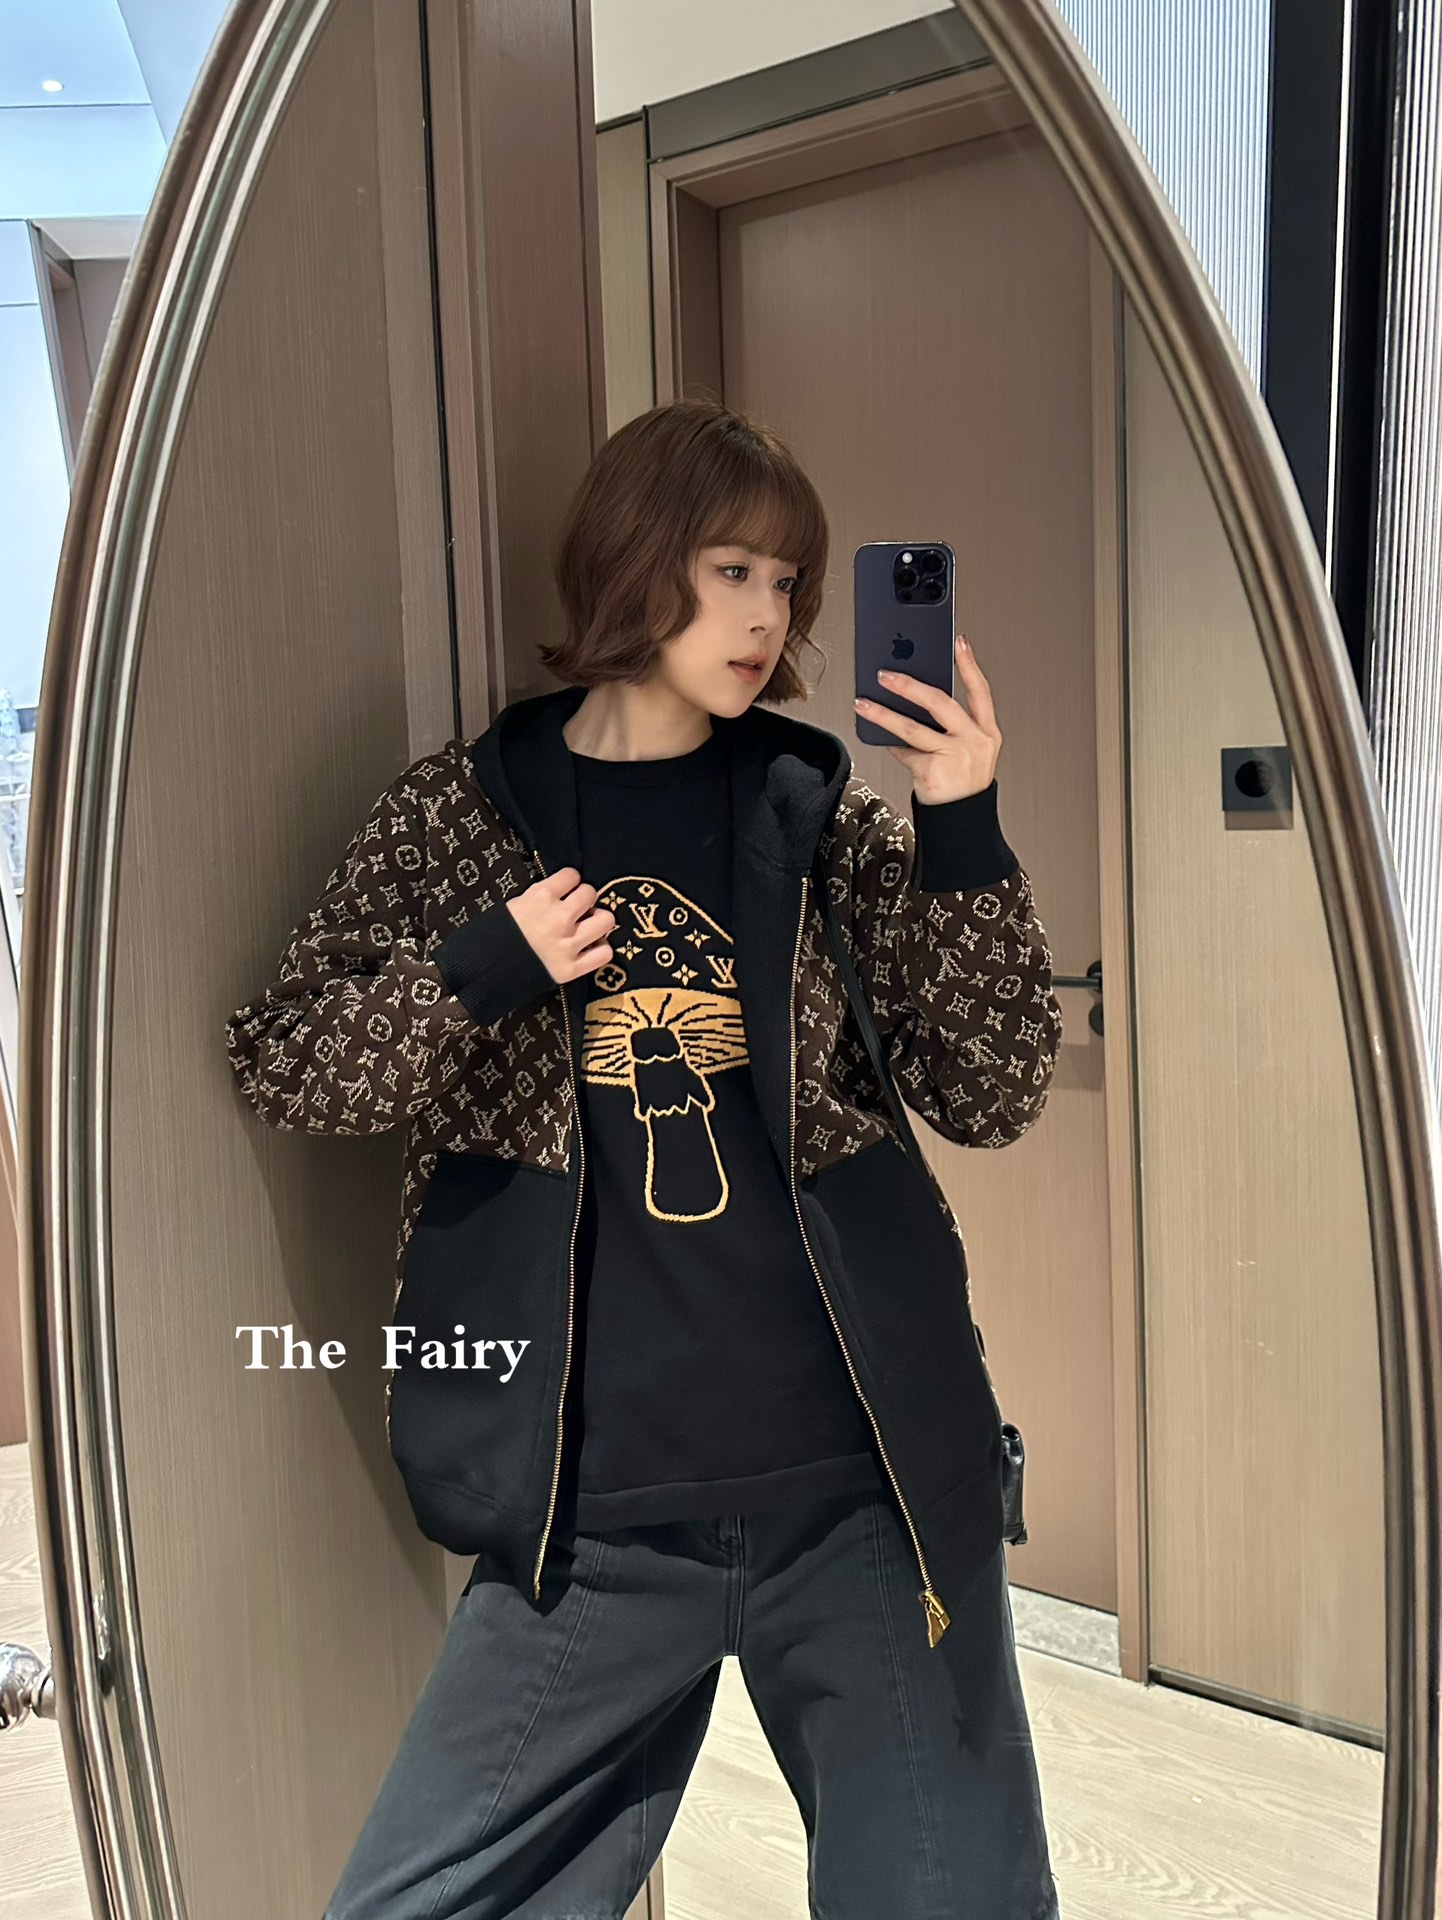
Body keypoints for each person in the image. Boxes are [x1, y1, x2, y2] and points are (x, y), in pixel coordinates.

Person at [224, 397, 1065, 1920]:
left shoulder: (815, 813)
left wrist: (960, 828)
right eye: (731, 571)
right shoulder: (462, 819)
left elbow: (992, 1090)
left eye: (786, 581)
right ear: (632, 561)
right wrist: (479, 970)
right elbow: (283, 1060)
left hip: (865, 1494)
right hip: (589, 1516)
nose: (767, 616)